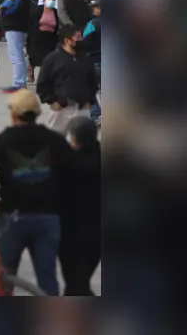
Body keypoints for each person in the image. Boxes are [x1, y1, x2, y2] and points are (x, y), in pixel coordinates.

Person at [0, 89, 72, 296]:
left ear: (13, 113)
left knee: (4, 278)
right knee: (47, 279)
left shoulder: (3, 142)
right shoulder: (55, 141)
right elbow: (74, 174)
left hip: (12, 218)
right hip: (48, 217)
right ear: (37, 112)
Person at [59, 116, 101, 296]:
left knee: (74, 283)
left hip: (70, 231)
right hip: (96, 232)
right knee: (80, 281)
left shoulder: (68, 163)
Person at [37, 25, 98, 135]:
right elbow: (43, 84)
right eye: (78, 38)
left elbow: (92, 81)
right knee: (57, 144)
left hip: (82, 109)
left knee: (82, 144)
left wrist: (89, 101)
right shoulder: (52, 59)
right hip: (61, 110)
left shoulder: (85, 59)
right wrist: (53, 102)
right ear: (67, 40)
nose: (81, 41)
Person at [0, 0, 32, 93]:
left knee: (16, 56)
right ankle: (21, 82)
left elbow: (12, 7)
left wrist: (3, 11)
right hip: (21, 26)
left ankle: (18, 83)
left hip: (14, 26)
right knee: (19, 55)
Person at [28, 0, 59, 84]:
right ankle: (30, 72)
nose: (51, 1)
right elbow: (31, 23)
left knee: (46, 61)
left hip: (50, 39)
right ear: (44, 0)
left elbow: (57, 26)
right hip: (37, 38)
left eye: (53, 0)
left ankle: (43, 78)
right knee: (33, 58)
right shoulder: (38, 10)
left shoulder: (55, 12)